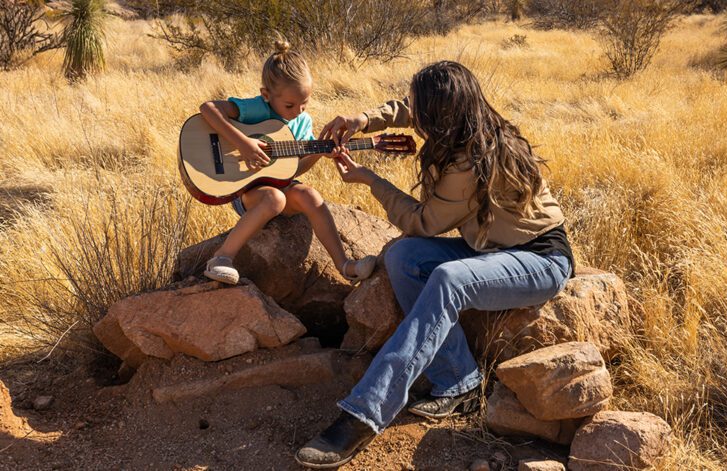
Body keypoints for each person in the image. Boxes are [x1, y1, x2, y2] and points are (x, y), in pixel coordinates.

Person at [295, 60, 575, 468]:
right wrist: (362, 119)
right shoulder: (467, 121)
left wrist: (371, 180)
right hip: (491, 250)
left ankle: (365, 412)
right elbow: (407, 111)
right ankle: (459, 381)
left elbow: (421, 222)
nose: (415, 116)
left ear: (440, 116)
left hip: (540, 259)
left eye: (422, 110)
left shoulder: (469, 161)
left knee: (447, 277)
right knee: (403, 256)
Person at [198, 39, 375, 285]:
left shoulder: (302, 122)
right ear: (266, 95)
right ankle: (221, 258)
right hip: (246, 191)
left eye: (305, 103)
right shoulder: (257, 109)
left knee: (311, 196)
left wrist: (318, 153)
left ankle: (345, 266)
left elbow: (293, 170)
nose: (298, 111)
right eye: (290, 105)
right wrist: (243, 143)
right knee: (274, 199)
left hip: (281, 184)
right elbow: (208, 109)